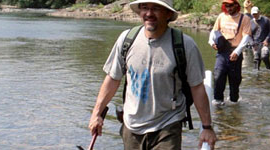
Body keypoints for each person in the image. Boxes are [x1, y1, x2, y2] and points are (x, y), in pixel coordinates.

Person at [88, 0, 217, 149]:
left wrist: (207, 127)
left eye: (156, 9)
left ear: (168, 14)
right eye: (145, 8)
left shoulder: (184, 45)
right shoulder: (127, 40)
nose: (149, 14)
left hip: (167, 125)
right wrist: (96, 114)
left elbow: (197, 88)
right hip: (131, 127)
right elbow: (112, 79)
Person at [208, 0, 251, 106]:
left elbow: (246, 37)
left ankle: (234, 102)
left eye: (231, 5)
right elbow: (214, 31)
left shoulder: (244, 19)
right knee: (218, 75)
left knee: (234, 81)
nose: (228, 8)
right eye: (226, 6)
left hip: (236, 51)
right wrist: (211, 42)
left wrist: (237, 51)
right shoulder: (221, 16)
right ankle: (218, 101)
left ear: (236, 5)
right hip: (222, 52)